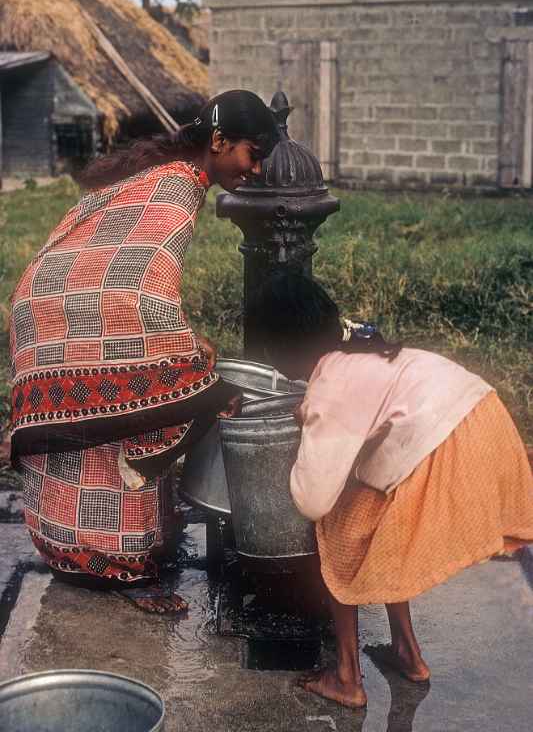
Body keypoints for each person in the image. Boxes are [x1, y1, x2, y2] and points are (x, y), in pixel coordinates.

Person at [9, 89, 279, 613]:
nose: (258, 169)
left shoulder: (167, 174)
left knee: (110, 421)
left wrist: (183, 336)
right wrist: (187, 352)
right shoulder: (176, 188)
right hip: (74, 308)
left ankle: (75, 546)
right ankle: (121, 569)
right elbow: (135, 288)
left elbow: (129, 268)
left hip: (50, 301)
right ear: (219, 141)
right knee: (184, 392)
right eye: (253, 153)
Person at [252, 271, 533, 709]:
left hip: (446, 443)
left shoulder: (330, 386)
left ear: (280, 349)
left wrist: (298, 447)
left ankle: (347, 677)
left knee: (339, 531)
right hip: (482, 422)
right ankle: (407, 652)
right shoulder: (356, 350)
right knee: (378, 520)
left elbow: (312, 499)